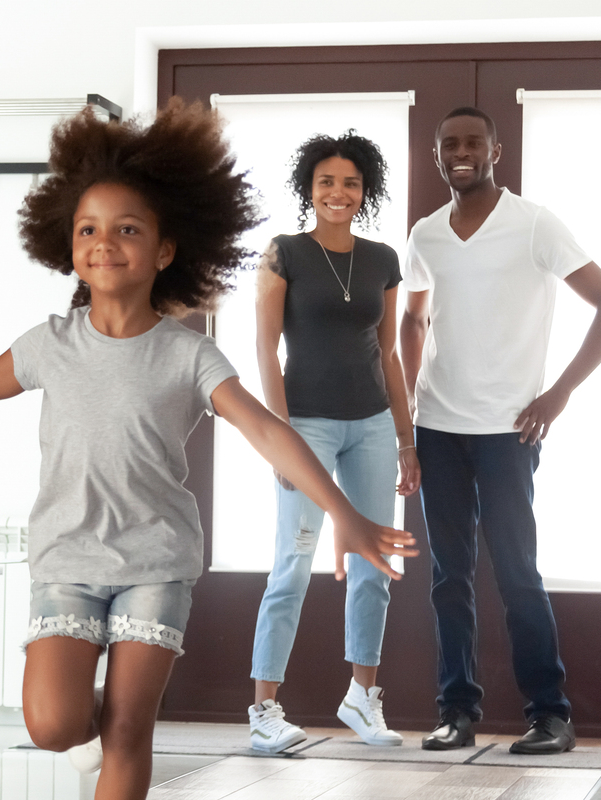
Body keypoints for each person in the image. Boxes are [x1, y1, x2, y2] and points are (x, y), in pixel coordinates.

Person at [0, 101, 418, 800]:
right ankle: (90, 725)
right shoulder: (50, 343)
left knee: (131, 731)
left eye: (127, 229)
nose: (105, 242)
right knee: (51, 725)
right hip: (67, 560)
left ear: (165, 251)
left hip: (156, 560)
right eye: (89, 229)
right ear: (68, 243)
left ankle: (117, 726)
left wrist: (343, 514)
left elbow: (267, 430)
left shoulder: (188, 355)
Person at [399, 106, 601, 756]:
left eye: (473, 142)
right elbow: (413, 322)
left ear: (496, 149)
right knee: (448, 578)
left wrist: (558, 394)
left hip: (508, 432)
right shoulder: (427, 234)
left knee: (516, 571)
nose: (461, 152)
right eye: (450, 144)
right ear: (437, 155)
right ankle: (456, 711)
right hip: (437, 428)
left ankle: (550, 714)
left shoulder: (534, 225)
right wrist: (408, 417)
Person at [245, 132, 419, 752]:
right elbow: (266, 347)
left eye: (349, 182)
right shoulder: (284, 252)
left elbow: (391, 353)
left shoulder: (382, 259)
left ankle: (361, 697)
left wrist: (406, 439)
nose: (337, 192)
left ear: (363, 191)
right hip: (307, 426)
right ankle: (264, 709)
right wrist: (279, 437)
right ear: (309, 190)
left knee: (376, 560)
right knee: (294, 560)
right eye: (326, 182)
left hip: (372, 423)